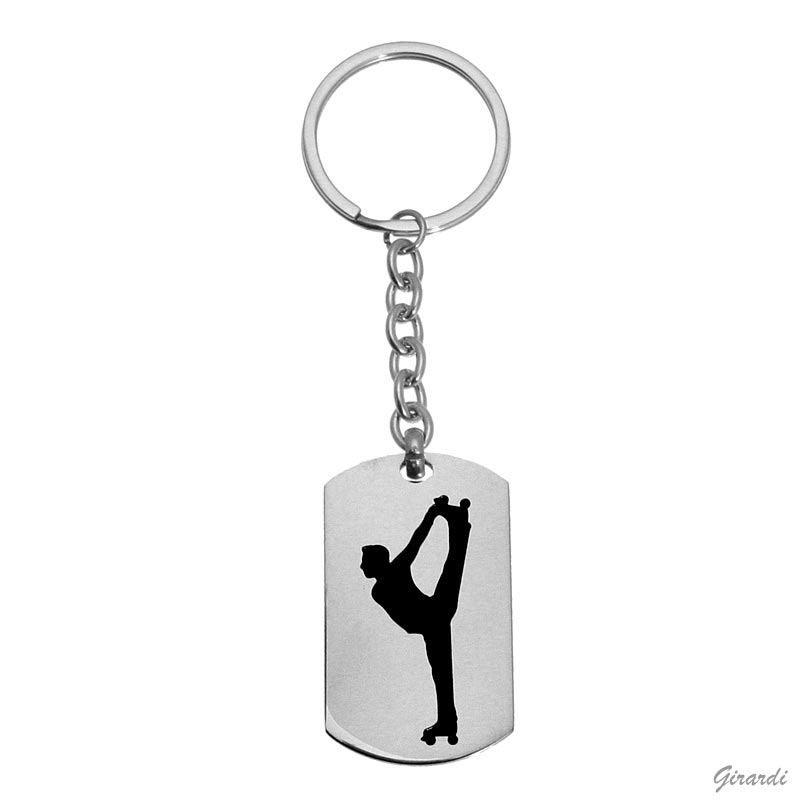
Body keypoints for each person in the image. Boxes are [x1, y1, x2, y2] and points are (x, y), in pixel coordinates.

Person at [360, 495, 472, 745]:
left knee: (453, 566)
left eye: (364, 561)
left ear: (376, 562)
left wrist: (432, 513)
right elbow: (416, 541)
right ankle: (447, 720)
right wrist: (433, 514)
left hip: (435, 615)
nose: (361, 566)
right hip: (430, 621)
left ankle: (458, 523)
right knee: (440, 672)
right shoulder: (378, 589)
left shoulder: (394, 572)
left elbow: (417, 540)